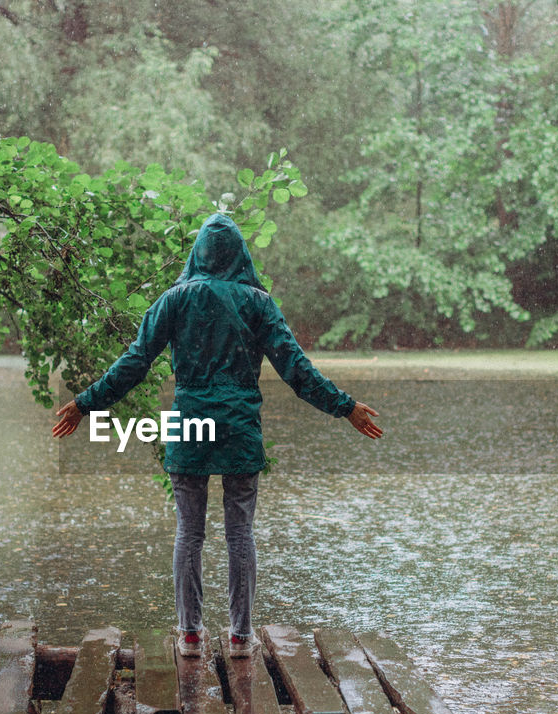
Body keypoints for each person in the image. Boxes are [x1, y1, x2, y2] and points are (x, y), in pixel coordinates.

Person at [52, 212, 382, 658]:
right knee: (240, 532)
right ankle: (241, 638)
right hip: (240, 428)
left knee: (189, 531)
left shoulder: (173, 300)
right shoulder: (259, 304)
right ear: (240, 254)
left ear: (198, 253)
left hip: (190, 425)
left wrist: (84, 403)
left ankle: (190, 636)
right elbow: (296, 371)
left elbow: (133, 363)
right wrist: (346, 407)